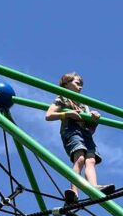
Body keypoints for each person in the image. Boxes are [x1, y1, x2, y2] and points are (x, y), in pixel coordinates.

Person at [44, 72, 114, 206]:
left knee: (91, 160)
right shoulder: (62, 98)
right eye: (77, 83)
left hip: (85, 133)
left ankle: (93, 186)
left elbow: (91, 130)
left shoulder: (83, 105)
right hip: (71, 131)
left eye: (81, 85)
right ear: (66, 84)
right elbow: (49, 115)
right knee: (80, 158)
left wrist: (94, 119)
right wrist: (66, 113)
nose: (80, 87)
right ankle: (74, 191)